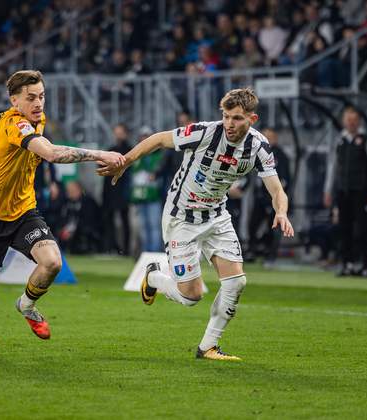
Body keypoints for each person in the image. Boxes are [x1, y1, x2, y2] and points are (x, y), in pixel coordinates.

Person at [98, 88, 294, 361]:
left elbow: (277, 189)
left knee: (236, 282)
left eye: (237, 118)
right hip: (182, 217)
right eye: (226, 116)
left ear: (252, 119)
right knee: (191, 297)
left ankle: (208, 347)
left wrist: (281, 212)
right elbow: (159, 139)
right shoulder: (204, 133)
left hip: (217, 216)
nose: (229, 124)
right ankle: (153, 277)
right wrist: (126, 162)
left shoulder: (259, 147)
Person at [0, 70, 124, 354]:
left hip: (23, 211)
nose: (38, 103)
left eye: (41, 96)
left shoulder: (36, 120)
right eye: (31, 98)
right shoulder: (14, 122)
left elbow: (4, 147)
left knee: (52, 262)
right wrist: (101, 154)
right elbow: (51, 153)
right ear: (14, 101)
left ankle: (26, 304)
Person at [323, 106, 367, 277]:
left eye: (354, 120)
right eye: (348, 119)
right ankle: (347, 264)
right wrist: (328, 190)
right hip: (343, 190)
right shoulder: (340, 140)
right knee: (344, 229)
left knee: (362, 229)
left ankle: (365, 265)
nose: (351, 123)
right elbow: (333, 167)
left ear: (359, 122)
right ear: (344, 121)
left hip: (361, 191)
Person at [246, 128, 291, 265]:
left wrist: (276, 197)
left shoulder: (281, 156)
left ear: (275, 138)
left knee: (273, 227)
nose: (266, 139)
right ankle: (252, 250)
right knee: (252, 224)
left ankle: (270, 255)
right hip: (259, 196)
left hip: (272, 197)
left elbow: (284, 179)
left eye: (269, 137)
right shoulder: (257, 151)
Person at [130, 126, 163, 253]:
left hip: (154, 196)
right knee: (143, 227)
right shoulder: (137, 156)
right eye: (143, 137)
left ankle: (154, 253)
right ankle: (146, 253)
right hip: (139, 196)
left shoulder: (159, 156)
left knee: (154, 226)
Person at [102, 123, 132, 255]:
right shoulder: (111, 150)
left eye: (120, 132)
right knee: (109, 220)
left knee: (125, 220)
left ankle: (126, 249)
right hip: (111, 191)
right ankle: (111, 247)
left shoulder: (130, 149)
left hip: (123, 191)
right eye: (116, 132)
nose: (118, 135)